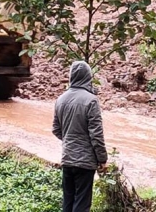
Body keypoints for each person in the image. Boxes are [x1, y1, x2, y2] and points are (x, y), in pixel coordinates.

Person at [52, 61, 107, 212]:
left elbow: (56, 129)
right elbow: (96, 134)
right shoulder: (91, 100)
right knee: (82, 204)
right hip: (85, 162)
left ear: (71, 76)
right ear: (88, 77)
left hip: (67, 159)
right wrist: (102, 159)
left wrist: (70, 141)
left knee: (68, 203)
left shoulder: (60, 99)